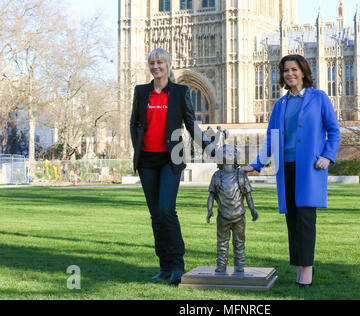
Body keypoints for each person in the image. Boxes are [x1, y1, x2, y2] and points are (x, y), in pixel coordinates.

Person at [241, 54, 340, 287]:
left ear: (304, 72)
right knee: (292, 220)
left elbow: (334, 130)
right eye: (286, 70)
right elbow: (271, 138)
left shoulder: (319, 98)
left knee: (306, 219)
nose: (290, 74)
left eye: (294, 69)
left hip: (310, 168)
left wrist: (327, 155)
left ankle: (307, 270)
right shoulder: (280, 104)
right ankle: (299, 267)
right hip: (285, 168)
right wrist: (256, 164)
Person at [130, 48, 215, 285]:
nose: (156, 66)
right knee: (155, 214)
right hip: (147, 160)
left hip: (171, 159)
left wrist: (211, 149)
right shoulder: (141, 91)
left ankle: (177, 264)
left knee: (167, 210)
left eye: (160, 62)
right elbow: (135, 123)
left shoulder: (180, 92)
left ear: (168, 65)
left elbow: (191, 124)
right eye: (152, 63)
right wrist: (137, 146)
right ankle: (164, 266)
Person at [206, 145, 258, 273]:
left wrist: (253, 209)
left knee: (239, 242)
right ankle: (221, 265)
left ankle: (239, 265)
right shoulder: (217, 176)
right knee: (222, 242)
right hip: (223, 216)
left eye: (231, 152)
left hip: (239, 216)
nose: (228, 154)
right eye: (225, 152)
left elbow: (248, 195)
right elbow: (211, 196)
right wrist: (209, 210)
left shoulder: (241, 175)